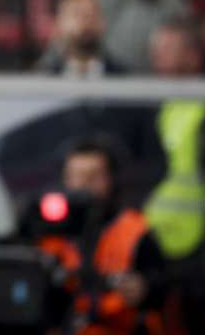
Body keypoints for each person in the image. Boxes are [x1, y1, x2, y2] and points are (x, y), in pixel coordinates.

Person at [34, 137, 167, 335]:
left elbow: (162, 285)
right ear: (65, 179)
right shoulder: (47, 230)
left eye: (94, 176)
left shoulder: (135, 229)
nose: (84, 185)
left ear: (112, 179)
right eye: (77, 176)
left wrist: (144, 289)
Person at [36, 0, 126, 77]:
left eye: (92, 14)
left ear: (103, 24)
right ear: (59, 24)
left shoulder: (125, 77)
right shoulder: (41, 77)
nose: (86, 20)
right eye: (76, 13)